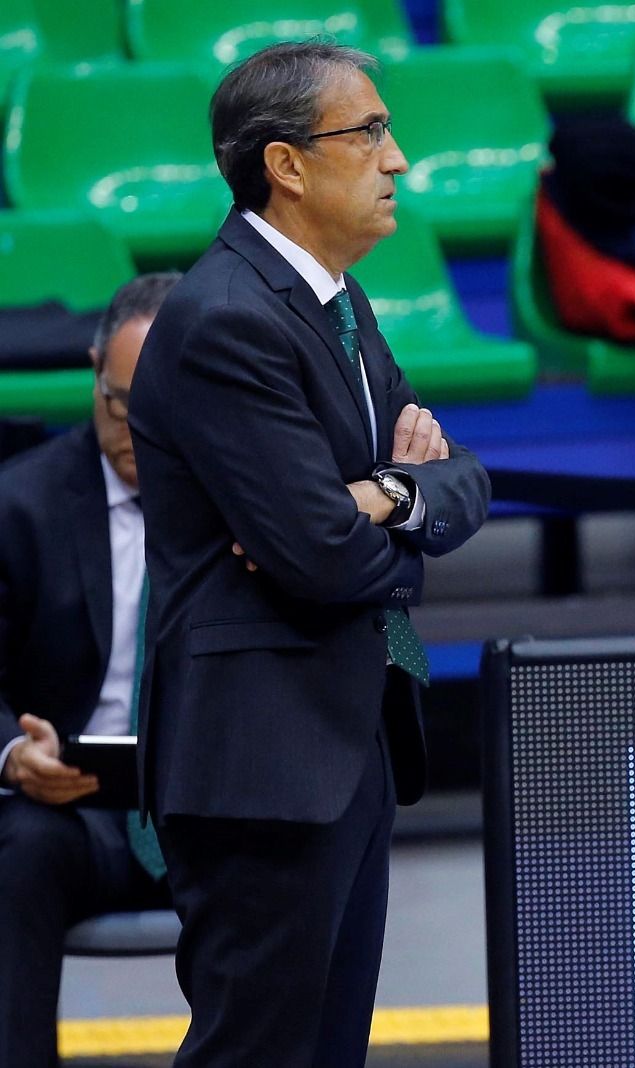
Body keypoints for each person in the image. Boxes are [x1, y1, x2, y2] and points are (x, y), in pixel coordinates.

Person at [127, 42, 490, 1066]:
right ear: (285, 165)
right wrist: (388, 518)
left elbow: (463, 479)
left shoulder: (332, 300)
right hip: (262, 764)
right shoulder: (225, 320)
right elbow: (324, 561)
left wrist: (381, 494)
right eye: (369, 132)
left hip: (344, 740)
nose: (399, 159)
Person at [0, 272, 180, 1067]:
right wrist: (12, 752)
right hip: (73, 810)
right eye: (118, 404)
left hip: (204, 802)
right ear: (93, 370)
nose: (137, 429)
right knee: (21, 854)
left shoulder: (248, 500)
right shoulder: (21, 504)